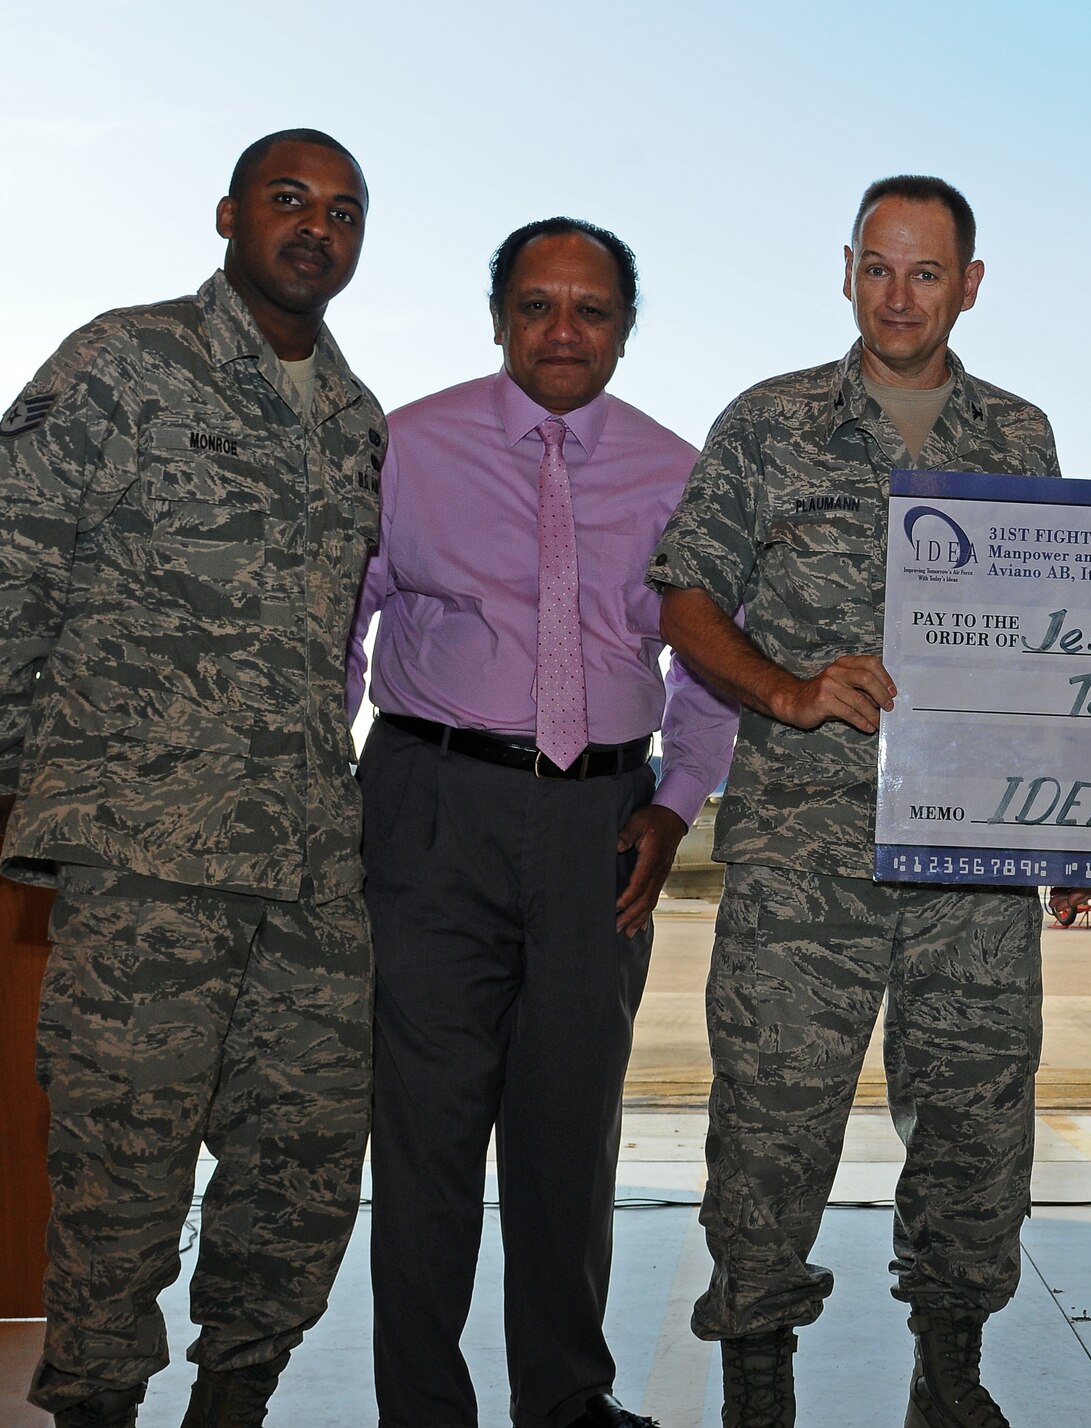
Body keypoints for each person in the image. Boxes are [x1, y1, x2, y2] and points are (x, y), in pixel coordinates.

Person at [649, 175, 1088, 1428]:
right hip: (807, 848)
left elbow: (1053, 638)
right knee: (771, 1125)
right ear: (845, 270)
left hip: (975, 858)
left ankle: (948, 1376)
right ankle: (757, 1379)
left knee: (975, 1126)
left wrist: (1068, 823)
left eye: (926, 272)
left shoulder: (1019, 437)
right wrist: (784, 693)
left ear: (969, 285)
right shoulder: (769, 422)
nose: (899, 297)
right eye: (878, 268)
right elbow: (685, 595)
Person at [0, 130, 382, 1428]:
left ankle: (237, 1401)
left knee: (308, 1167)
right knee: (121, 1179)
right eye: (289, 199)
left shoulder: (357, 418)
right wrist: (30, 787)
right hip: (145, 855)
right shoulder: (124, 360)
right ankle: (98, 1406)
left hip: (309, 869)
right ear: (228, 214)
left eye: (343, 211)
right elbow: (13, 567)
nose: (316, 227)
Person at [346, 217, 737, 1428]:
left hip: (601, 828)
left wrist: (674, 804)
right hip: (430, 810)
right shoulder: (408, 446)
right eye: (536, 305)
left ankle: (565, 1401)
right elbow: (339, 627)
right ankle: (423, 1409)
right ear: (497, 317)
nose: (563, 331)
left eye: (591, 309)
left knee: (569, 1133)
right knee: (425, 1136)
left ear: (625, 327)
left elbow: (707, 662)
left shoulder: (676, 472)